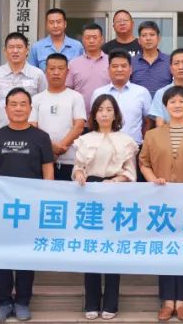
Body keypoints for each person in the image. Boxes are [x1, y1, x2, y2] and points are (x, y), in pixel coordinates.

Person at [0, 88, 55, 323]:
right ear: (6, 109)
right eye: (14, 104)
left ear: (30, 108)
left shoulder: (41, 137)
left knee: (25, 255)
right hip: (2, 207)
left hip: (30, 208)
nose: (19, 108)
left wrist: (45, 200)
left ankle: (22, 301)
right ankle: (3, 302)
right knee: (2, 256)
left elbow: (48, 172)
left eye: (23, 104)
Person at [139, 86, 183, 322]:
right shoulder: (153, 135)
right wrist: (153, 180)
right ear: (165, 106)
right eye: (172, 102)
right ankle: (167, 301)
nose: (177, 105)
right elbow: (144, 163)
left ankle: (182, 302)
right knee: (165, 250)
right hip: (162, 201)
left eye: (182, 101)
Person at [73, 94, 138, 320]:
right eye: (100, 109)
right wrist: (79, 174)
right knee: (91, 248)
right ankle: (91, 302)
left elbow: (130, 172)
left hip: (115, 193)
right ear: (94, 115)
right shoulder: (84, 139)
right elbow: (78, 167)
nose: (104, 113)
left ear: (115, 114)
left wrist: (116, 181)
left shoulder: (126, 140)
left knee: (112, 250)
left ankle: (111, 303)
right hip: (89, 194)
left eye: (109, 109)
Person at [29, 53, 87, 181]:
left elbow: (79, 126)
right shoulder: (36, 99)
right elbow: (33, 127)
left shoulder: (76, 97)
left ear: (67, 72)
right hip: (42, 159)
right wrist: (50, 147)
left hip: (70, 160)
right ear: (46, 71)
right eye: (52, 68)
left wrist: (61, 147)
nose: (56, 72)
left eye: (60, 69)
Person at [0, 32, 47, 133]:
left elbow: (43, 102)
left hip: (30, 131)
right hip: (0, 130)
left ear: (27, 50)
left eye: (19, 47)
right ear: (5, 51)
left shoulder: (38, 74)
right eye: (11, 47)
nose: (15, 51)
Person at [91, 50, 153, 147]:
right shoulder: (98, 93)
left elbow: (149, 121)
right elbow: (93, 120)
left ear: (130, 69)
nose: (119, 69)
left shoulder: (142, 92)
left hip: (133, 148)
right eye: (115, 66)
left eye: (123, 66)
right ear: (108, 70)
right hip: (103, 147)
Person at [68, 23, 111, 112]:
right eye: (88, 38)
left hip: (106, 115)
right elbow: (68, 90)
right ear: (83, 40)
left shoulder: (111, 62)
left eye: (95, 37)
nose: (91, 41)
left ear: (102, 40)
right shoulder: (73, 64)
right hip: (80, 115)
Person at [131, 20, 172, 97]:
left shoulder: (169, 61)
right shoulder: (131, 62)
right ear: (139, 40)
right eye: (144, 35)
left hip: (163, 104)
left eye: (152, 35)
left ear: (158, 39)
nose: (148, 38)